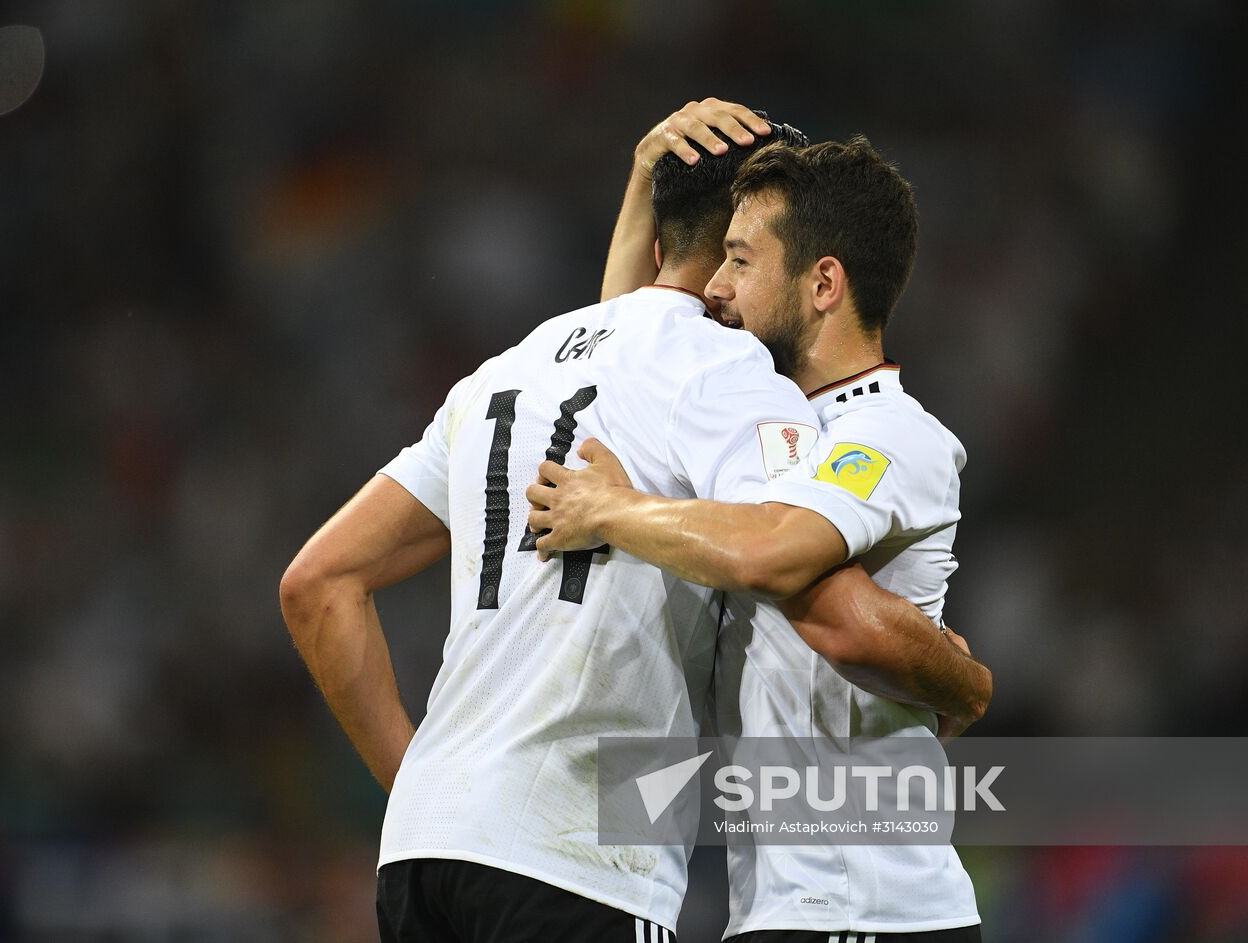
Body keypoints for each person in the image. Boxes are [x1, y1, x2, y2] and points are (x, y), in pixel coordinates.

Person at [279, 112, 987, 943]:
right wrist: (964, 680)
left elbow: (314, 581)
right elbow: (772, 548)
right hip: (576, 861)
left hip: (430, 854)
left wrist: (425, 796)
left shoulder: (506, 373)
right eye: (723, 257)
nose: (722, 288)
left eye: (743, 260)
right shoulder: (723, 380)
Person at [529, 102, 985, 941]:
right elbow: (632, 348)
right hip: (784, 905)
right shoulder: (766, 429)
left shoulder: (884, 434)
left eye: (740, 259)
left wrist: (614, 507)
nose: (715, 286)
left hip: (871, 907)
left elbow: (775, 553)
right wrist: (644, 177)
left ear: (822, 284)